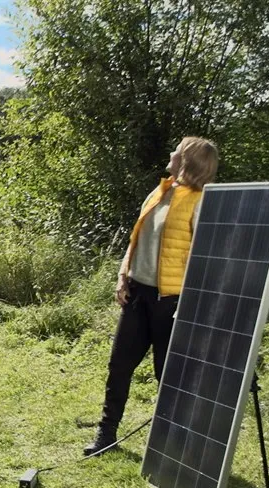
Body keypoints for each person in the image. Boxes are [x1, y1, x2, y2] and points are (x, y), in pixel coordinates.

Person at [83, 136, 220, 456]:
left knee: (166, 375)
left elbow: (205, 258)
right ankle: (107, 435)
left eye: (178, 150)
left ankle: (171, 445)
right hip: (137, 294)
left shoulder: (201, 202)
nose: (171, 152)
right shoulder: (160, 191)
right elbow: (137, 238)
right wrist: (123, 275)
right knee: (119, 365)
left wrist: (193, 303)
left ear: (188, 162)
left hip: (171, 301)